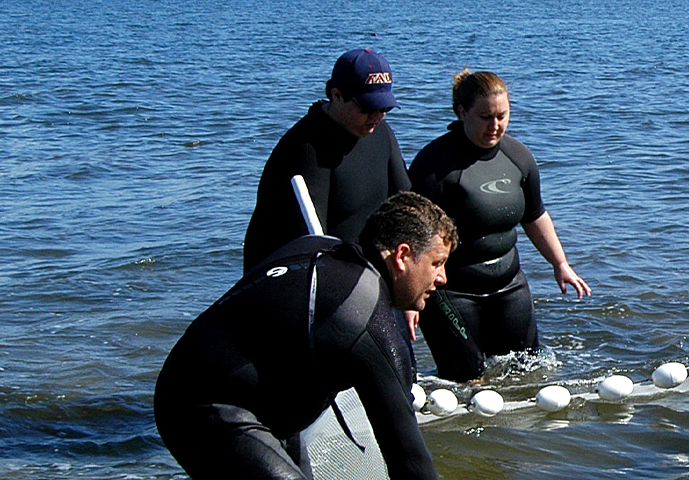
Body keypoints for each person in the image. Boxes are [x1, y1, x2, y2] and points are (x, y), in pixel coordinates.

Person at [156, 192, 455, 479]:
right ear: (402, 255)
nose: (442, 278)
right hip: (205, 407)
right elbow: (409, 460)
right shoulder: (365, 318)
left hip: (242, 400)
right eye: (436, 263)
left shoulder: (318, 247)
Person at [408, 69, 590, 382]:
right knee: (466, 381)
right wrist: (411, 297)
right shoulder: (434, 165)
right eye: (485, 117)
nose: (495, 126)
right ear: (462, 112)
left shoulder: (518, 157)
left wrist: (560, 263)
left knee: (527, 373)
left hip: (509, 285)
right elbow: (414, 236)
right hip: (452, 291)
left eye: (502, 116)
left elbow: (534, 215)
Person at [244, 48, 410, 272]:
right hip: (299, 277)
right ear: (337, 95)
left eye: (384, 107)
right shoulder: (306, 149)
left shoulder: (381, 134)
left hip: (360, 272)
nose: (377, 116)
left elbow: (407, 205)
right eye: (368, 107)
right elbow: (308, 239)